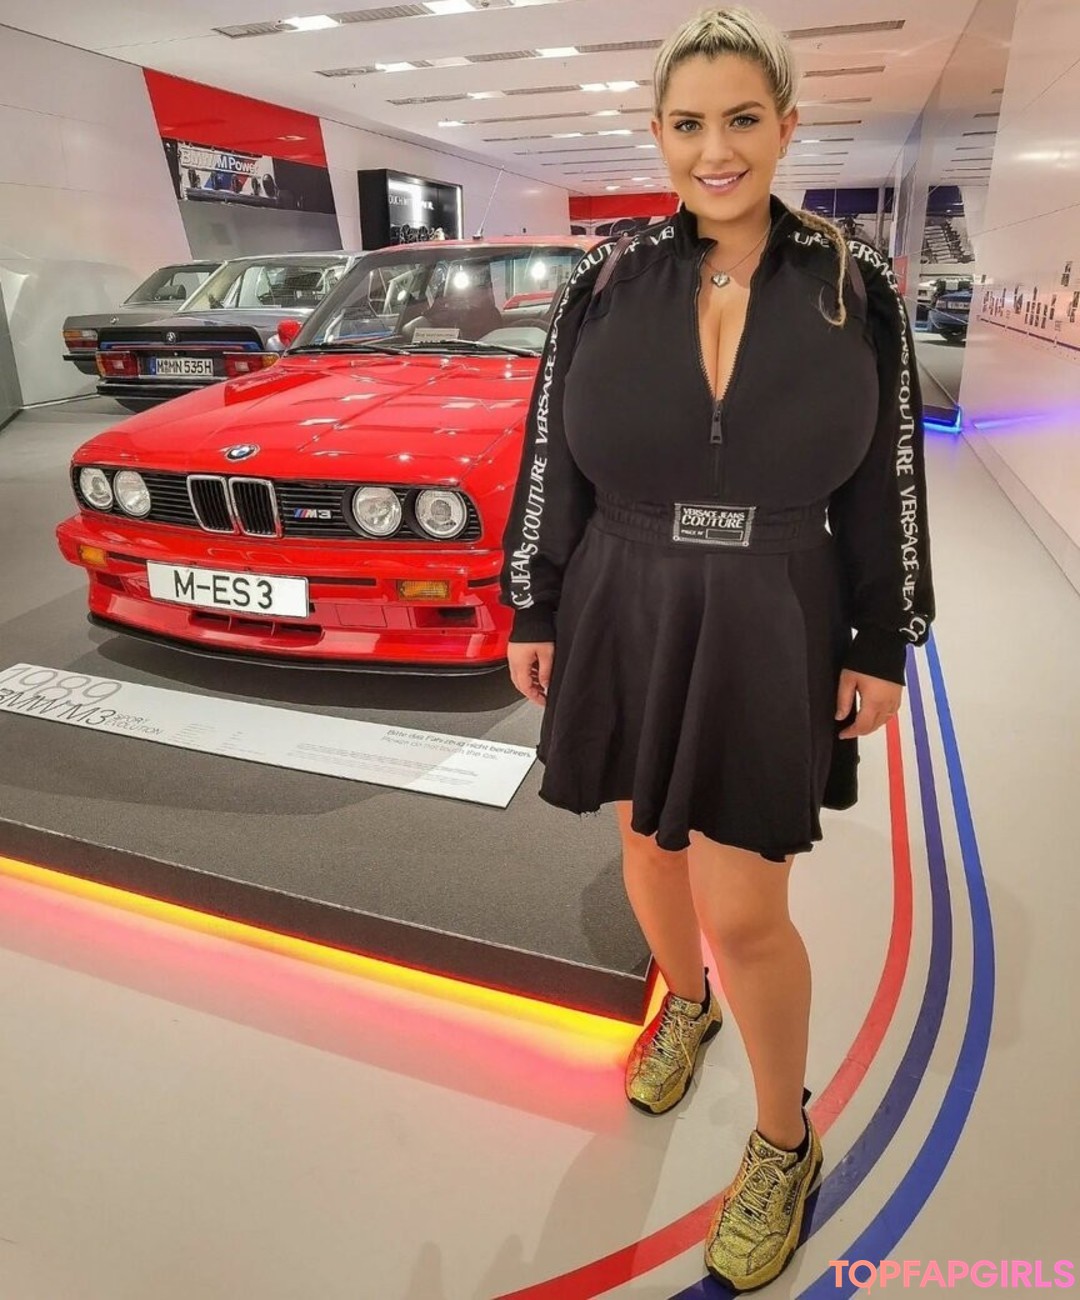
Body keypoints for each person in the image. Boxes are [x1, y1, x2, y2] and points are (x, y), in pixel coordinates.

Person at [497, 4, 935, 1291]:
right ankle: (681, 1006)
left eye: (743, 120)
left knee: (747, 906)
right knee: (646, 840)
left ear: (786, 126)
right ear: (657, 134)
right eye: (688, 124)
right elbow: (551, 454)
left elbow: (889, 478)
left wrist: (884, 634)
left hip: (772, 597)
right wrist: (536, 600)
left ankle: (784, 1142)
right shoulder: (607, 279)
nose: (716, 150)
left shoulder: (853, 284)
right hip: (623, 588)